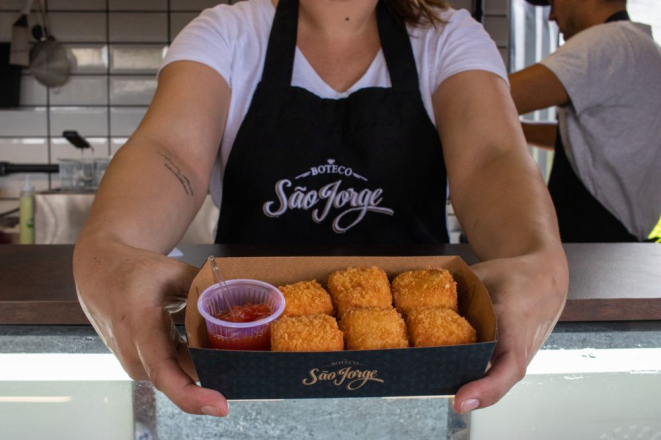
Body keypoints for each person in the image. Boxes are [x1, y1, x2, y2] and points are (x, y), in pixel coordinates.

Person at [73, 0, 568, 418]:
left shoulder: (448, 37)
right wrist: (109, 247)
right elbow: (169, 152)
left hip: (418, 379)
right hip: (247, 376)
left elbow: (491, 159)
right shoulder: (228, 34)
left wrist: (536, 255)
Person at [510, 0, 661, 243]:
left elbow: (496, 98)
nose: (551, 16)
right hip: (619, 239)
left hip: (592, 238)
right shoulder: (642, 47)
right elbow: (590, 142)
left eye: (554, 1)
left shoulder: (609, 42)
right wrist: (520, 130)